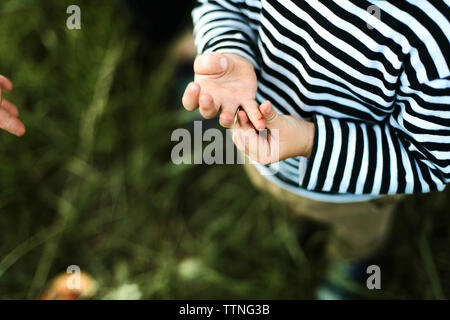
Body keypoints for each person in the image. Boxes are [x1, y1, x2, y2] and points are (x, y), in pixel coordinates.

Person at [182, 0, 449, 297]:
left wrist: (310, 141)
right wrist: (228, 51)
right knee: (289, 202)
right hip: (263, 155)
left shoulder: (435, 36)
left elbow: (428, 160)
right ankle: (297, 217)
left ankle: (350, 261)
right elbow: (223, 6)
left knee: (358, 236)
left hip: (354, 194)